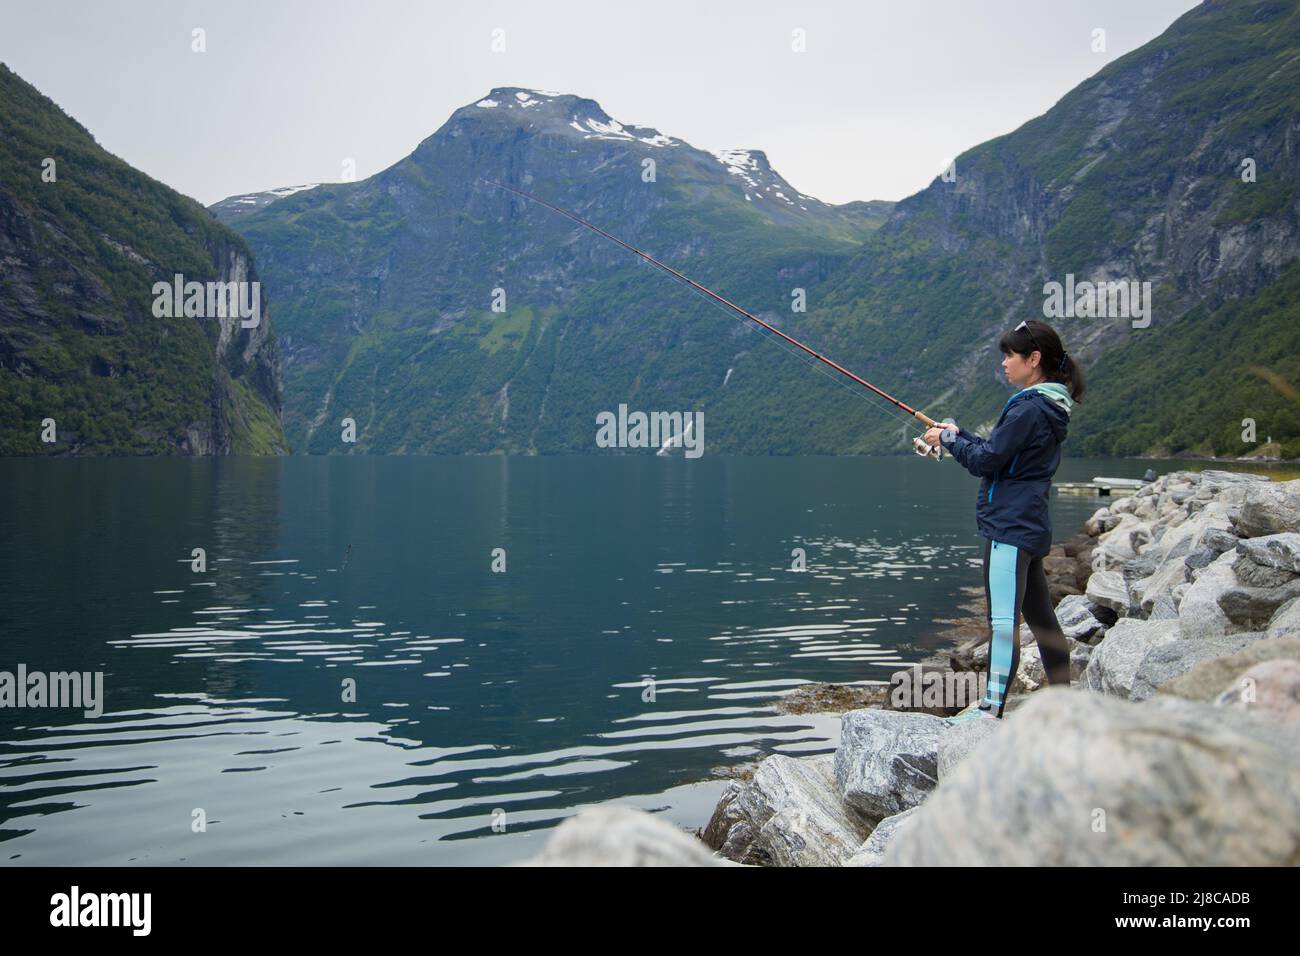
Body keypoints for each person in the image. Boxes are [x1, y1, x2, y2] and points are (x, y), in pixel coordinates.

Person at [922, 319, 1086, 721]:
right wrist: (958, 434)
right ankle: (1064, 702)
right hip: (1028, 526)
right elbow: (999, 452)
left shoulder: (1029, 408)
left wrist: (947, 441)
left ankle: (991, 710)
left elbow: (986, 461)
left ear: (1034, 359)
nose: (1004, 364)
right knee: (1042, 619)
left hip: (1010, 530)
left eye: (1010, 356)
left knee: (1001, 624)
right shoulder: (1047, 405)